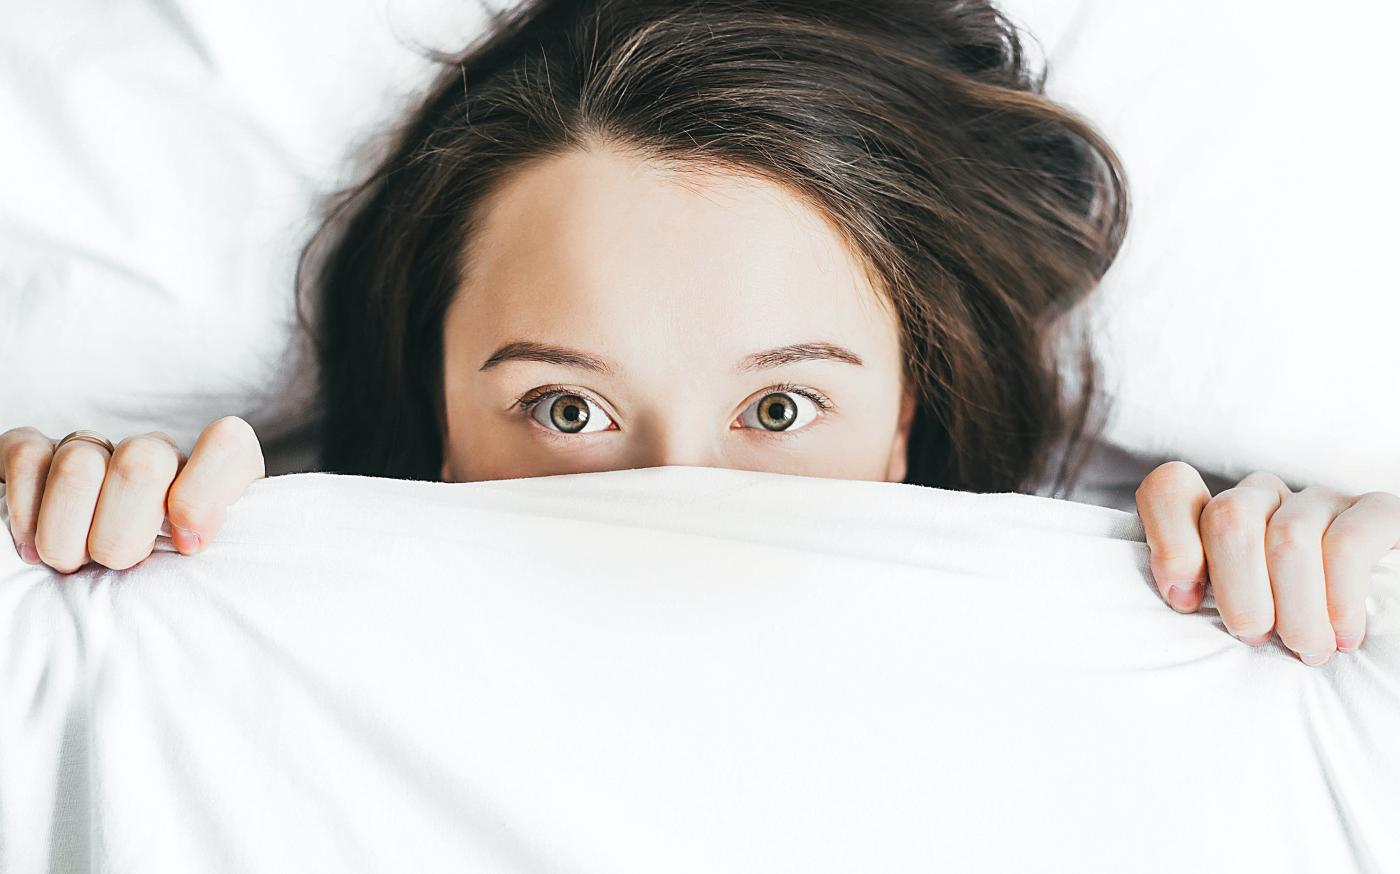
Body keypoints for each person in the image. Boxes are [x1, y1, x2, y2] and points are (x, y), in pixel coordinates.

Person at [2, 0, 1397, 668]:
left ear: (910, 411)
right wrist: (62, 548)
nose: (676, 506)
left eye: (781, 409)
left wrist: (1343, 588)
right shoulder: (234, 624)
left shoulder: (1162, 631)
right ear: (432, 414)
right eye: (565, 408)